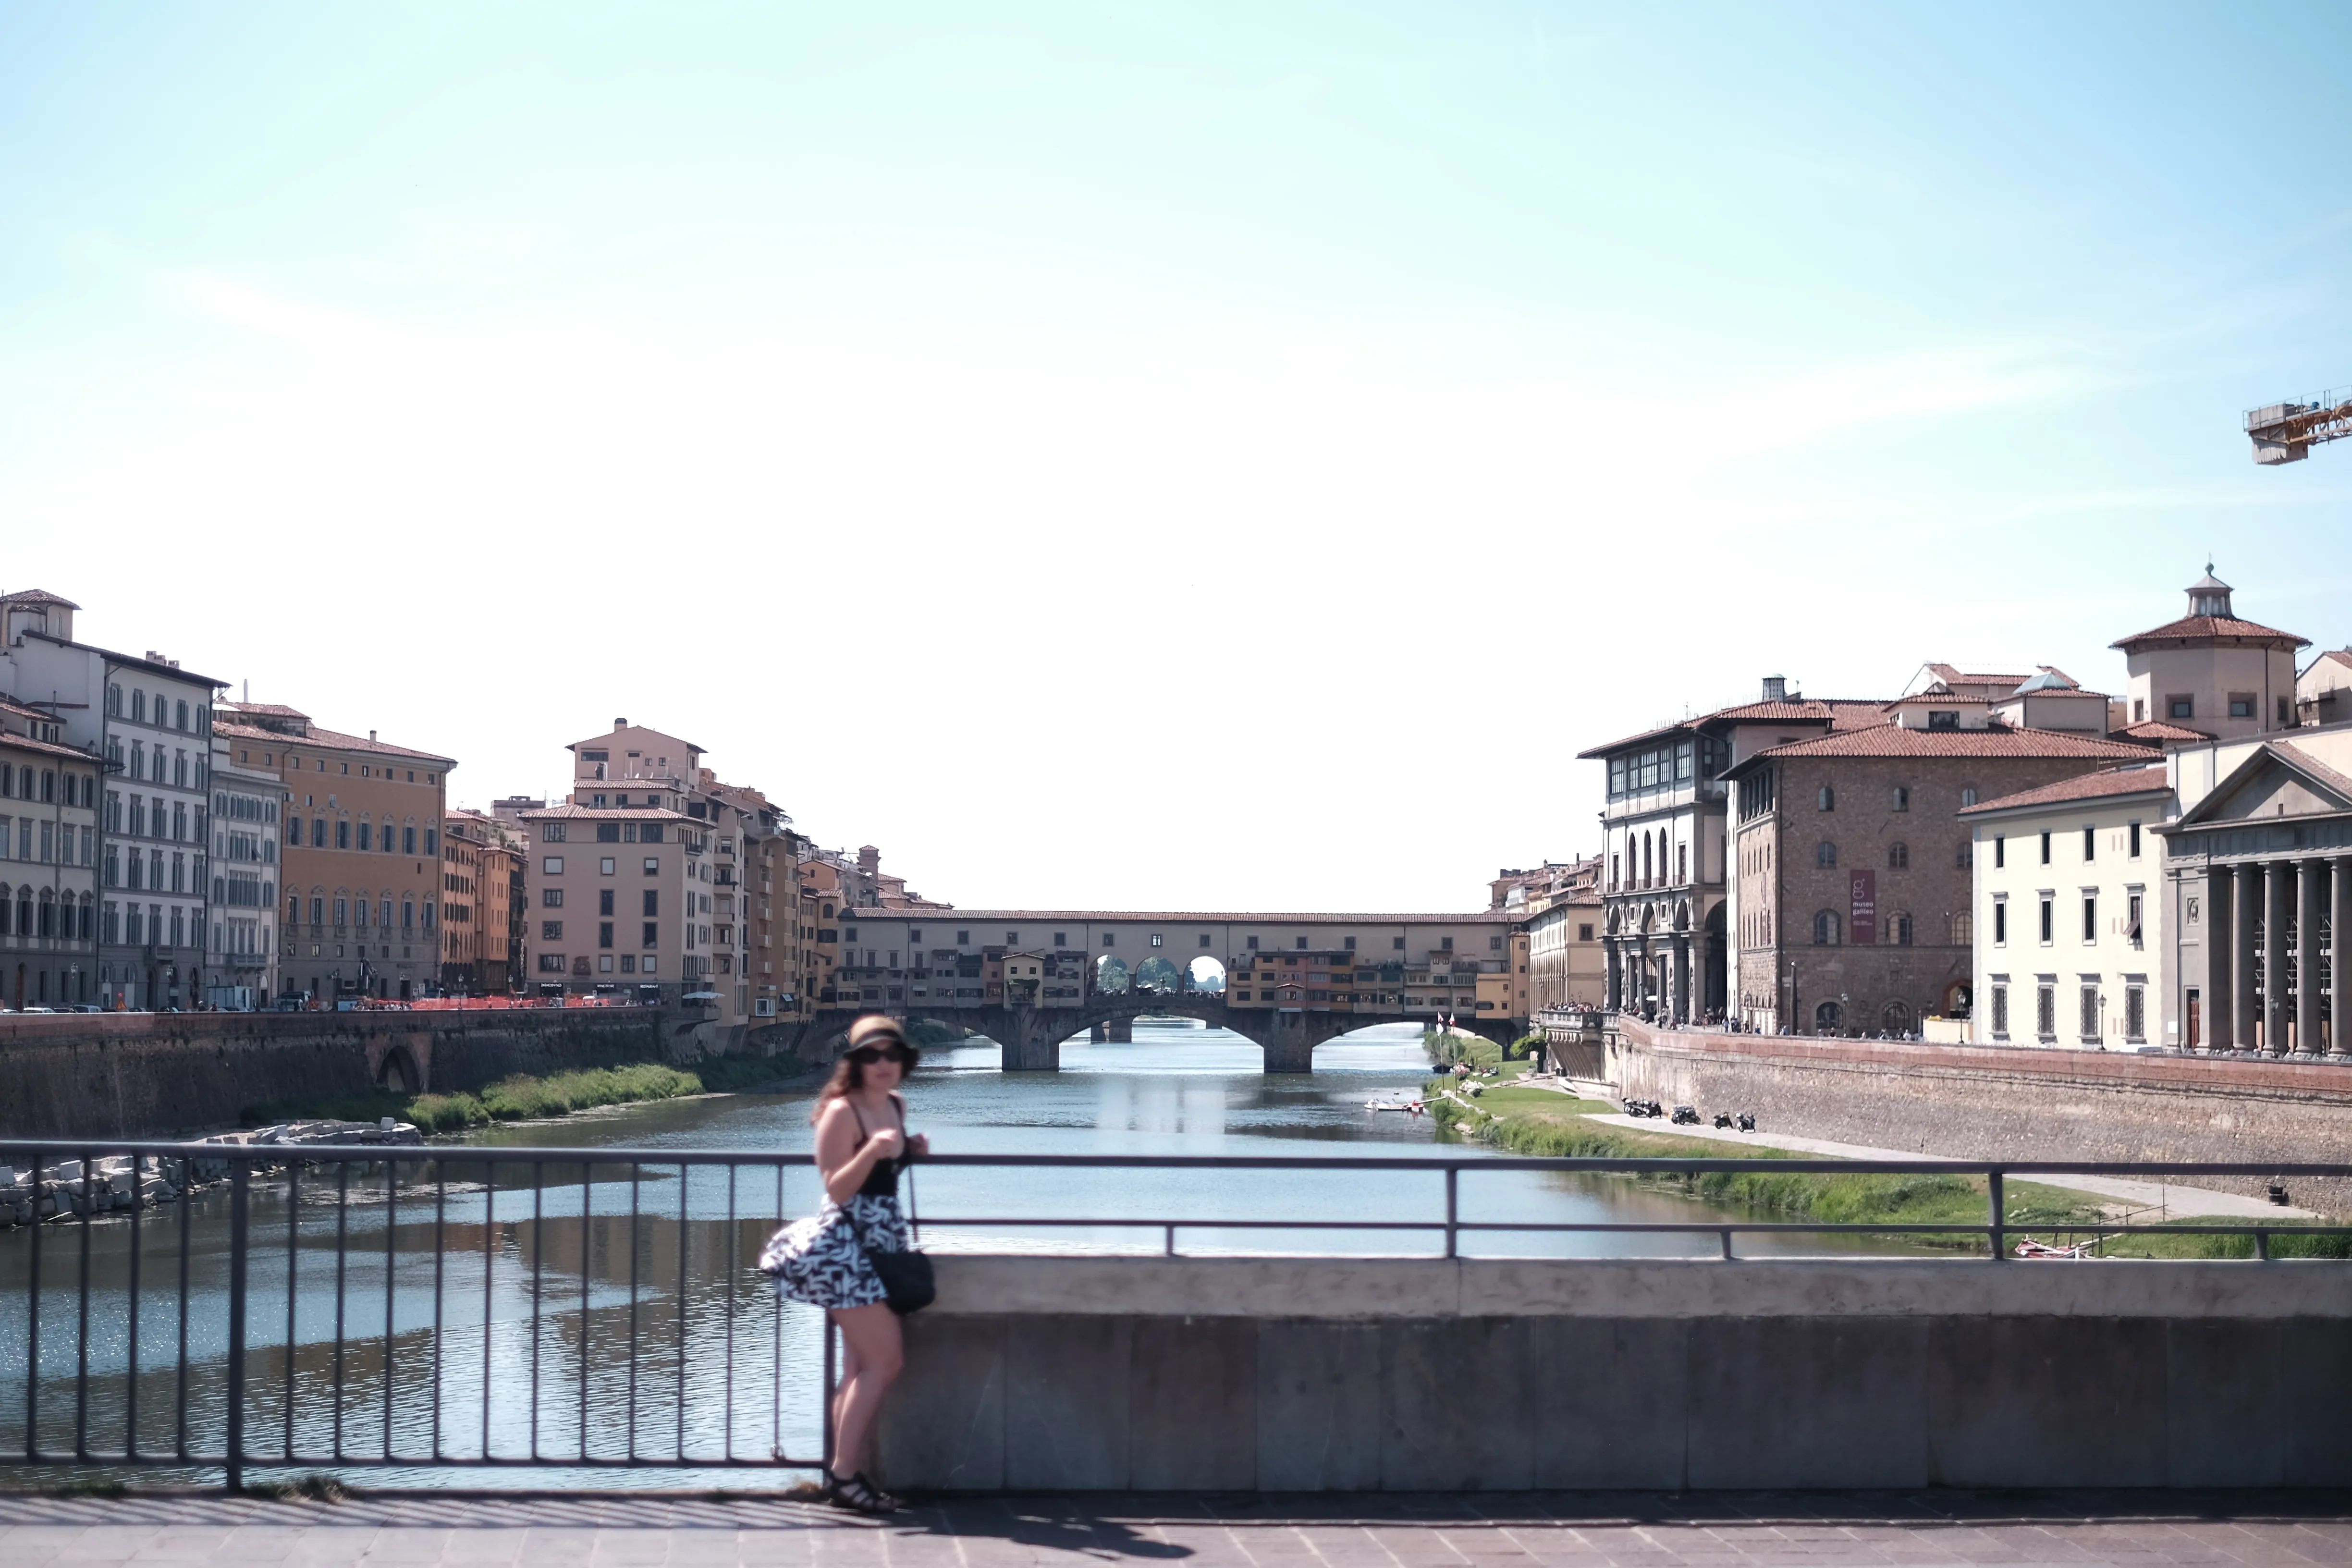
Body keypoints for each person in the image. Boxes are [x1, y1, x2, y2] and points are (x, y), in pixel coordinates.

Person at [759, 1016, 930, 1513]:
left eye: (892, 1056)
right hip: (845, 1249)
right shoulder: (841, 1112)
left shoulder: (895, 1106)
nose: (883, 1065)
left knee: (860, 1367)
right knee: (885, 1362)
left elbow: (884, 1176)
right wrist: (875, 1151)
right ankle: (844, 1476)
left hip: (881, 1245)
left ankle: (843, 1472)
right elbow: (836, 1186)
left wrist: (910, 1152)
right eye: (872, 1056)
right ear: (855, 1064)